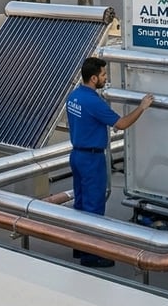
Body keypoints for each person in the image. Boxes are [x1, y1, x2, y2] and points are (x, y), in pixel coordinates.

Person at [65, 56, 153, 268]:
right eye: (104, 75)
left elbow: (86, 121)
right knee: (94, 206)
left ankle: (79, 246)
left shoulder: (74, 96)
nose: (106, 78)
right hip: (92, 159)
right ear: (94, 78)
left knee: (80, 203)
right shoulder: (93, 101)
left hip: (76, 155)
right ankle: (91, 255)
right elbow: (121, 124)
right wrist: (142, 107)